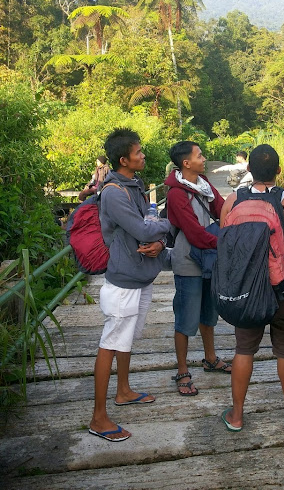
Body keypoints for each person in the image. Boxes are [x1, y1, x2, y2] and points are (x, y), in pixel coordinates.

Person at [220, 144, 284, 436]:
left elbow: (227, 247)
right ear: (278, 170)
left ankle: (236, 415)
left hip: (247, 290)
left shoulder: (233, 200)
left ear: (248, 169)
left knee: (243, 349)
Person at [89, 128, 171, 442]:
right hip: (123, 282)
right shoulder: (112, 192)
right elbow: (143, 227)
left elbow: (149, 224)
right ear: (124, 159)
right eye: (138, 152)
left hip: (141, 276)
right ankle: (98, 417)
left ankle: (123, 390)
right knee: (110, 343)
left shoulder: (132, 184)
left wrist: (160, 239)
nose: (143, 156)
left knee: (126, 340)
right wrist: (164, 227)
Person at [165, 141, 232, 396]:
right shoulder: (175, 193)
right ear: (186, 163)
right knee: (185, 318)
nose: (203, 159)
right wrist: (227, 241)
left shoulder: (202, 183)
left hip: (210, 256)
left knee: (208, 312)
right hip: (189, 260)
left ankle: (210, 358)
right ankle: (182, 370)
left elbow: (220, 207)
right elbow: (193, 233)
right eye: (199, 155)